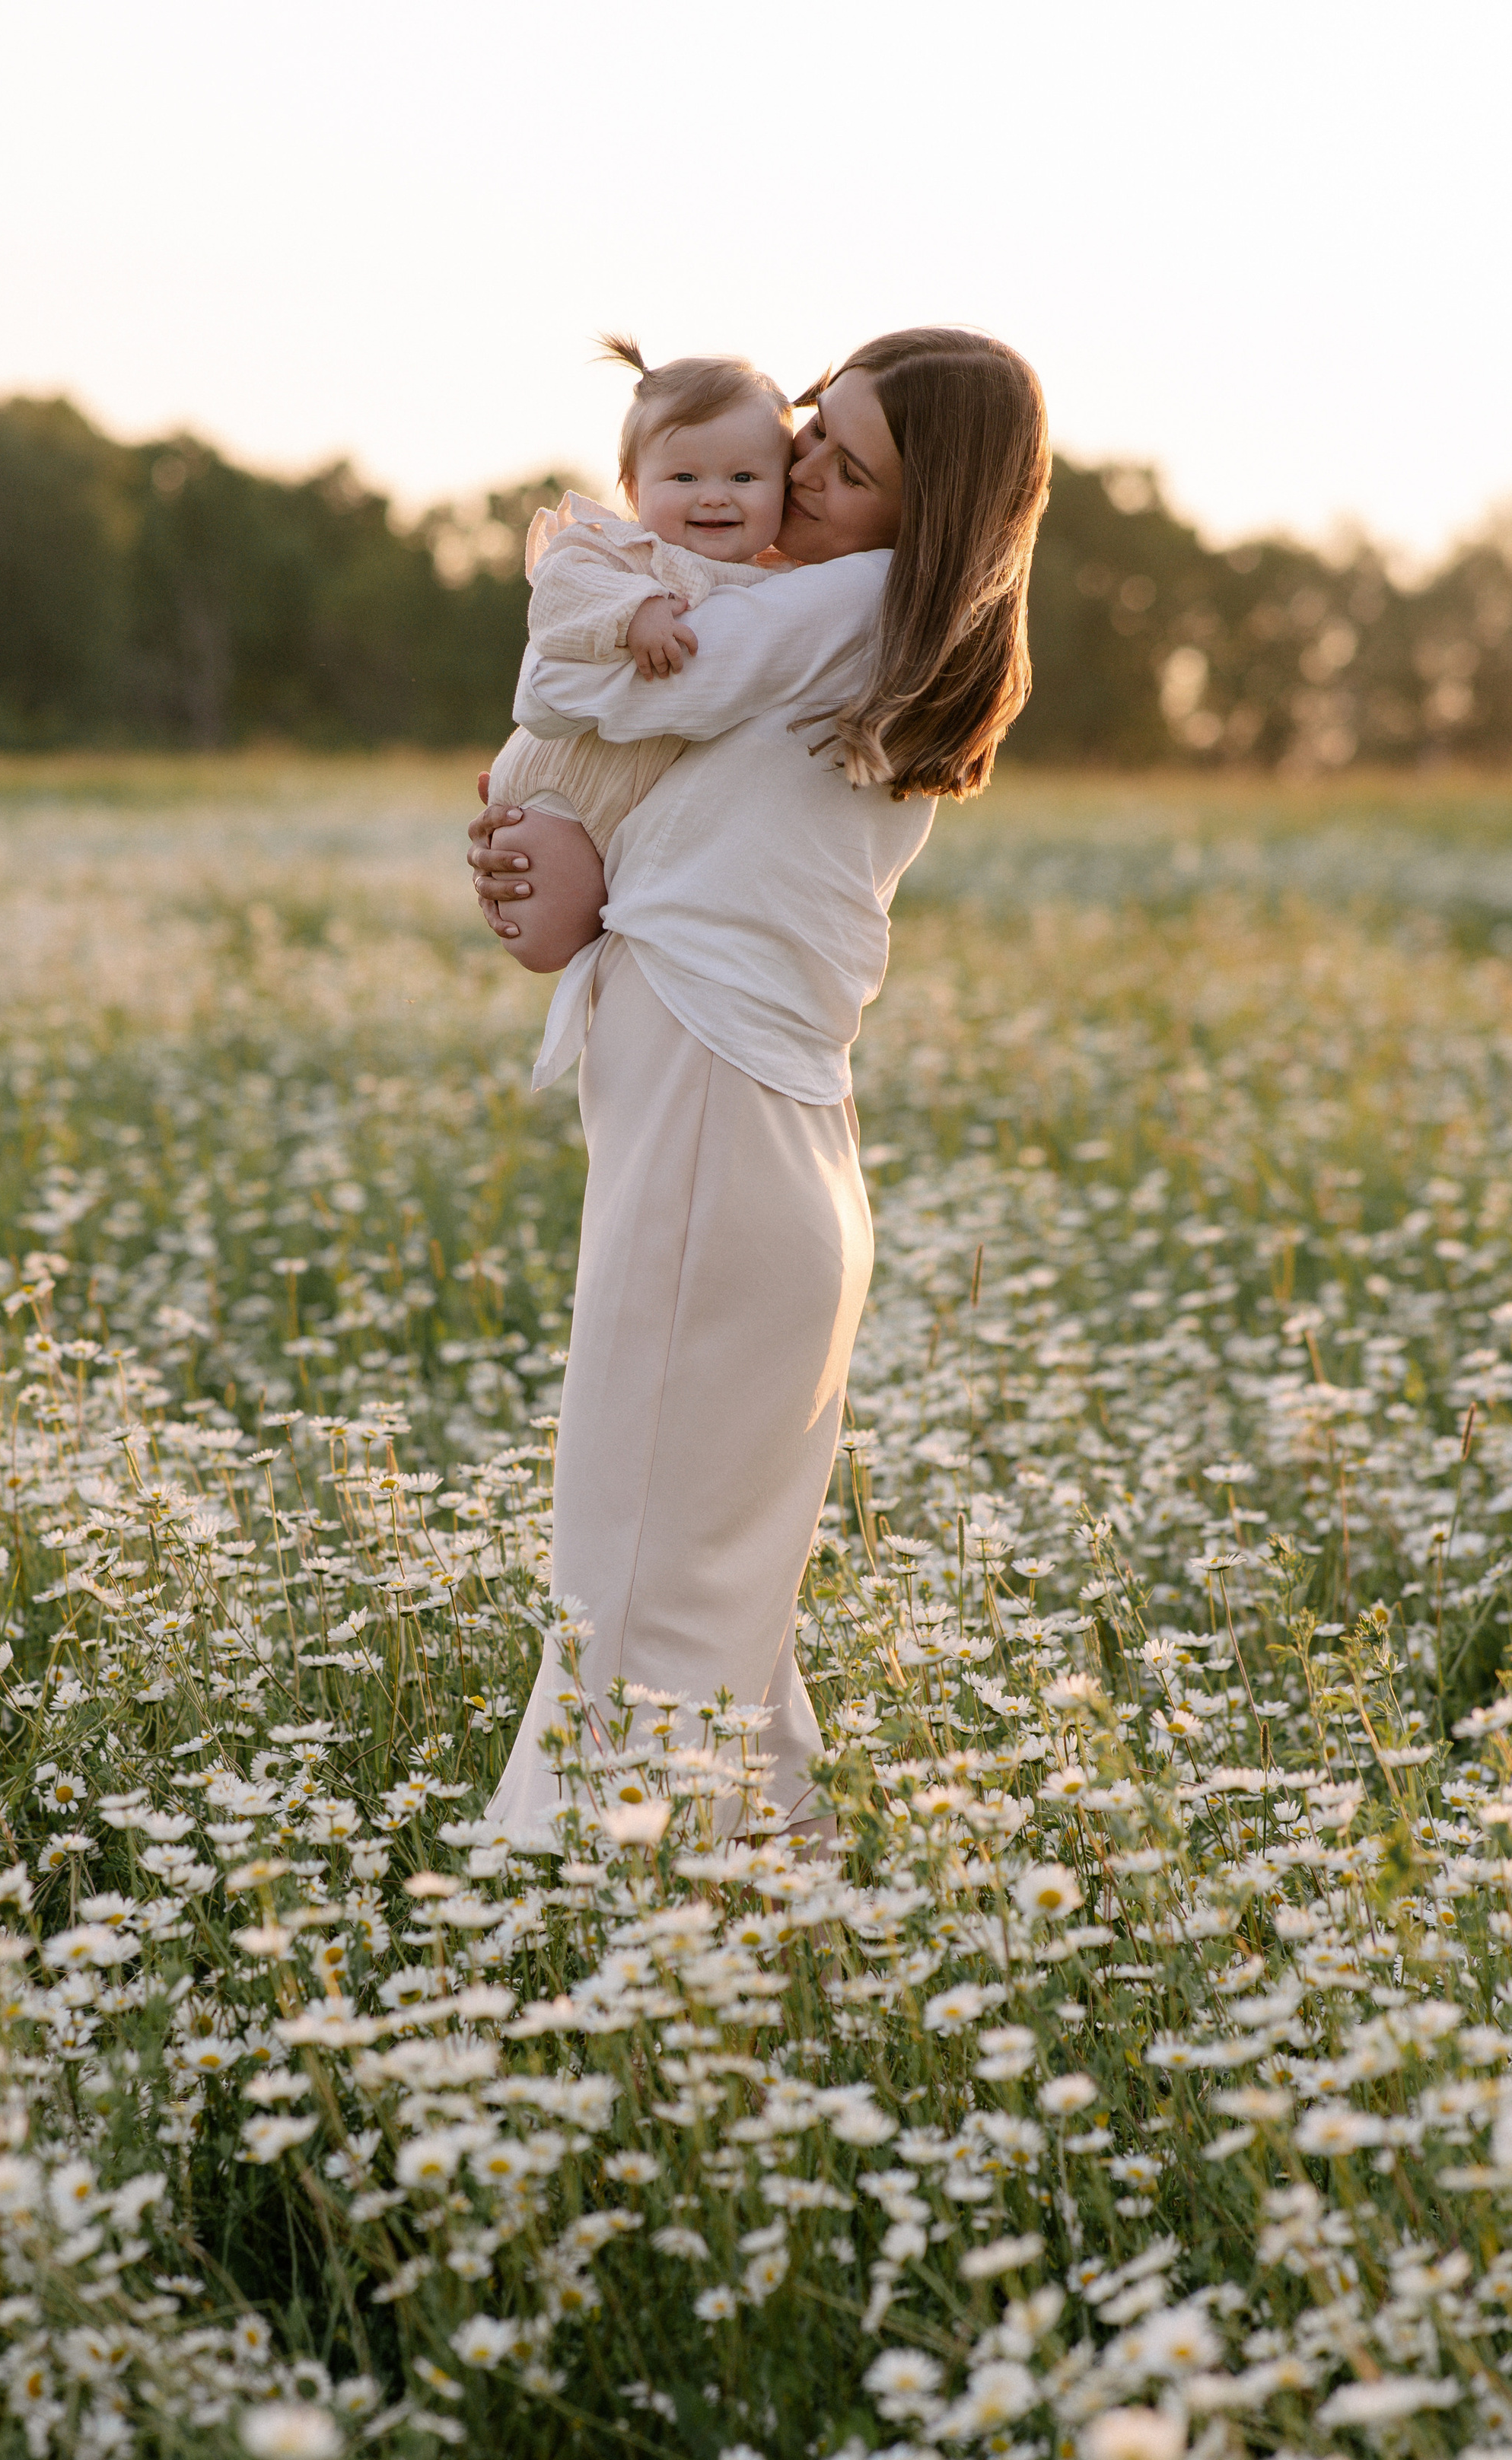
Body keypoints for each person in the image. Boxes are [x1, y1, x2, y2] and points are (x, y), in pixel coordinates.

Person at [470, 329, 1050, 1846]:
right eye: (809, 428)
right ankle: (765, 1922)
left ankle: (606, 1917)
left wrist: (586, 654)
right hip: (751, 1131)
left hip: (721, 1124)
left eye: (844, 468)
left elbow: (591, 678)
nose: (793, 470)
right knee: (699, 1577)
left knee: (633, 1564)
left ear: (918, 521)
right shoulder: (860, 609)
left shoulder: (840, 604)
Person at [485, 338, 794, 975]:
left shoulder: (785, 579)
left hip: (642, 808)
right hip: (567, 789)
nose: (714, 496)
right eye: (684, 477)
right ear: (632, 486)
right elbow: (557, 596)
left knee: (613, 933)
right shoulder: (623, 552)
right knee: (545, 938)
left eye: (744, 477)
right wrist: (634, 611)